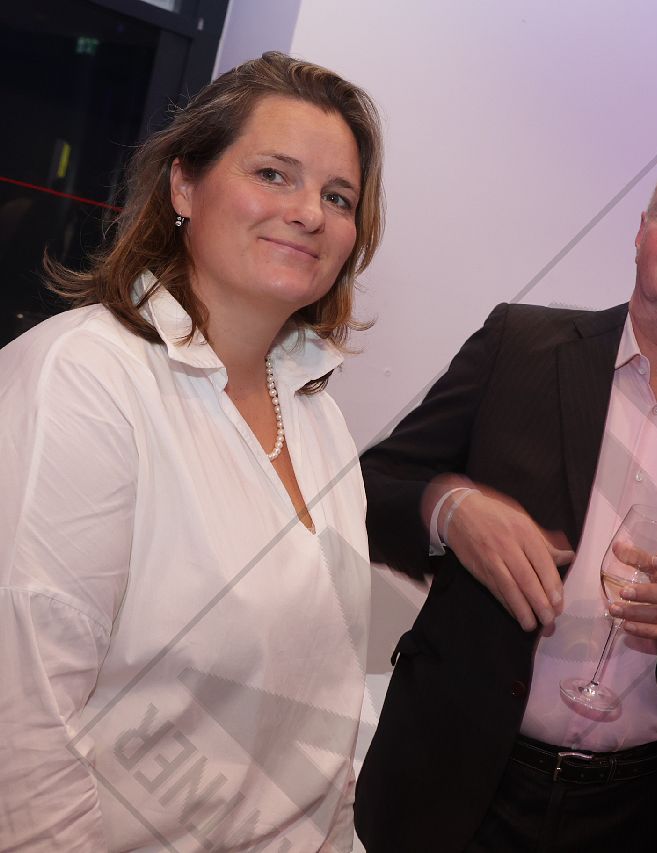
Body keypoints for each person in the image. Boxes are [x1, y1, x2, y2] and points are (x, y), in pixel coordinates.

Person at [356, 141, 657, 852]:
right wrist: (449, 511)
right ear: (642, 232)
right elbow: (367, 492)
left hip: (639, 815)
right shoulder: (518, 347)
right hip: (453, 783)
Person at [0, 52, 385, 851]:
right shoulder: (83, 379)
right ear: (184, 184)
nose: (309, 213)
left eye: (338, 196)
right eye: (274, 174)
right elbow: (23, 724)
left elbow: (323, 711)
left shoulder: (318, 414)